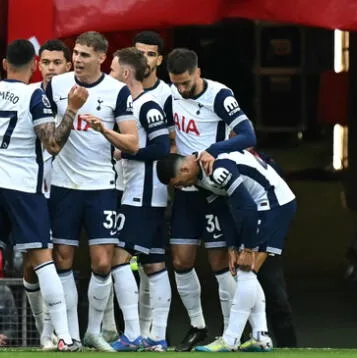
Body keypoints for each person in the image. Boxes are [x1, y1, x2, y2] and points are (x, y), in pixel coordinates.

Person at [0, 39, 81, 352]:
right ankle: (64, 337)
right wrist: (72, 112)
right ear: (36, 65)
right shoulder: (34, 96)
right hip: (24, 189)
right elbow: (52, 144)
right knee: (42, 260)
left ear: (4, 64)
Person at [43, 31, 138, 352]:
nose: (78, 60)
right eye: (76, 53)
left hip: (101, 187)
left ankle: (94, 331)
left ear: (102, 58)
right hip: (62, 186)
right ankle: (68, 334)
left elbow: (133, 142)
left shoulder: (117, 91)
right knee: (62, 259)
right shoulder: (56, 86)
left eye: (85, 54)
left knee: (101, 263)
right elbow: (46, 134)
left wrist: (103, 129)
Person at [156, 150, 297, 352]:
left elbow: (247, 205)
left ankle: (230, 339)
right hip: (260, 206)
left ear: (185, 169)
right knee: (246, 273)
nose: (180, 187)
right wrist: (231, 245)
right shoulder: (198, 180)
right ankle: (260, 336)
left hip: (273, 204)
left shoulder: (216, 170)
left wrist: (247, 248)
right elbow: (223, 209)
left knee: (246, 270)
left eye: (178, 183)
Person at [165, 48, 257, 351]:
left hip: (213, 188)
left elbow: (248, 135)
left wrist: (214, 150)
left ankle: (232, 332)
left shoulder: (219, 95)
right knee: (180, 260)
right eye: (176, 83)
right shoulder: (168, 94)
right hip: (186, 186)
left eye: (186, 83)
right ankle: (197, 325)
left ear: (198, 72)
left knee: (220, 263)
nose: (181, 89)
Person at [102, 30, 175, 345]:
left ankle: (132, 333)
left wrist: (127, 150)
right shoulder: (131, 103)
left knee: (118, 258)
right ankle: (157, 337)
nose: (109, 74)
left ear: (126, 73)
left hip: (143, 195)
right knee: (154, 263)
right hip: (139, 192)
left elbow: (161, 148)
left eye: (113, 69)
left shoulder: (146, 105)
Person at [23, 38, 72, 350]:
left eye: (57, 63)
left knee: (64, 258)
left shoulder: (79, 95)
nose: (51, 68)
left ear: (68, 65)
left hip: (71, 187)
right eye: (46, 62)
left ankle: (77, 330)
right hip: (34, 187)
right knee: (34, 259)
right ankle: (44, 330)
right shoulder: (27, 96)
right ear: (38, 64)